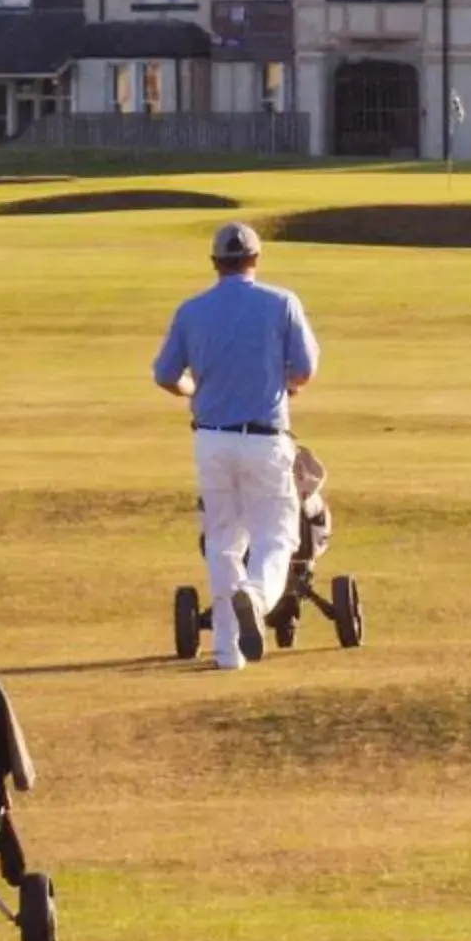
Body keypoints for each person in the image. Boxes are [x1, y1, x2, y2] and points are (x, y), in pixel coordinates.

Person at [152, 221, 320, 670]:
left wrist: (196, 391)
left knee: (223, 540)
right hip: (265, 438)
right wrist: (285, 386)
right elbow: (304, 370)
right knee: (277, 536)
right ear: (256, 260)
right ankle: (257, 597)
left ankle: (228, 652)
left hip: (210, 439)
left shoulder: (191, 311)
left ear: (215, 263)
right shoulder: (282, 303)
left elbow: (166, 375)